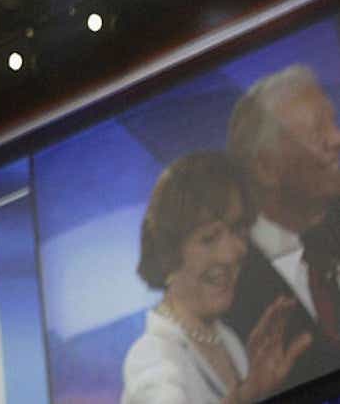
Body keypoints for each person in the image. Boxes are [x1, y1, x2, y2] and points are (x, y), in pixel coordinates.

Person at [124, 152, 310, 403]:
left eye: (237, 230)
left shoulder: (226, 339)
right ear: (168, 252)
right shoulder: (153, 358)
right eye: (209, 238)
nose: (231, 253)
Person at [226, 64, 340, 387]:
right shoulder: (229, 290)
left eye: (334, 121)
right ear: (265, 167)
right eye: (319, 131)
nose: (337, 138)